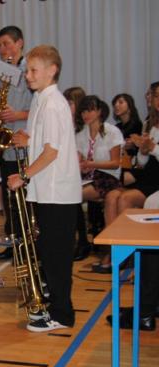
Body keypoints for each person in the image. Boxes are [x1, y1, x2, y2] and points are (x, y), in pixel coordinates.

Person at [8, 45, 82, 332]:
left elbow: (51, 152)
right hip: (47, 190)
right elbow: (46, 142)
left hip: (58, 191)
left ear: (52, 70)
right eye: (27, 70)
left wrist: (23, 176)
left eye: (33, 70)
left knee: (57, 256)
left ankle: (63, 314)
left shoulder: (53, 104)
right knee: (49, 252)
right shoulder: (41, 100)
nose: (27, 75)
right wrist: (27, 141)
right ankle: (55, 305)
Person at [102, 82, 159, 271]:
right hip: (148, 175)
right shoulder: (150, 124)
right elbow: (141, 162)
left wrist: (153, 148)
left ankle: (129, 255)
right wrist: (143, 149)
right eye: (155, 96)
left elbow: (153, 152)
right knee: (112, 196)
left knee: (125, 198)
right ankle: (113, 250)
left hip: (155, 182)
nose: (156, 100)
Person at [0, 26, 33, 260]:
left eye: (6, 43)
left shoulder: (30, 70)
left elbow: (39, 110)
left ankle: (27, 248)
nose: (3, 49)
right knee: (8, 198)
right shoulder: (5, 71)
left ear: (20, 43)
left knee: (22, 199)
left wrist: (18, 115)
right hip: (6, 144)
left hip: (23, 143)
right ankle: (12, 244)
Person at [74, 95, 124, 269]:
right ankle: (90, 244)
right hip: (89, 177)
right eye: (83, 111)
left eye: (90, 110)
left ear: (100, 111)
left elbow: (115, 163)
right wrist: (82, 167)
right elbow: (78, 162)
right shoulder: (81, 135)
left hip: (108, 177)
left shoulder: (111, 131)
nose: (86, 114)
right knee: (69, 193)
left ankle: (86, 243)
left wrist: (91, 164)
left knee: (73, 195)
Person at [63, 87, 91, 261]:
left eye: (71, 103)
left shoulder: (85, 127)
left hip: (87, 171)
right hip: (71, 170)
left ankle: (82, 241)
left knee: (71, 196)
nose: (67, 106)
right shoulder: (65, 124)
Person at [112, 93, 143, 185]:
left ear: (129, 106)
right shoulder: (116, 127)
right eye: (115, 104)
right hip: (119, 163)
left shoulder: (138, 125)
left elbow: (140, 148)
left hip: (132, 166)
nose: (116, 105)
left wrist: (133, 145)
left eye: (120, 102)